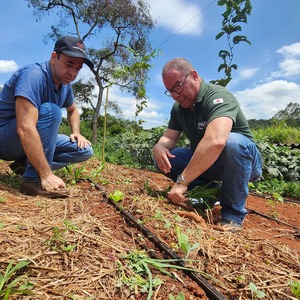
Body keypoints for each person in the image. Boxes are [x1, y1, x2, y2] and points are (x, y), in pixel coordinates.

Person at [153, 58, 262, 230]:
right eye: (170, 91)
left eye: (178, 86)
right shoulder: (178, 108)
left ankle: (233, 214)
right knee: (165, 159)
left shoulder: (218, 96)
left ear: (194, 76)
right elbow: (170, 138)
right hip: (209, 162)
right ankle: (215, 192)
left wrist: (182, 182)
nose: (175, 95)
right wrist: (159, 146)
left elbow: (216, 141)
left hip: (241, 161)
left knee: (232, 143)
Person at [0, 36, 94, 198]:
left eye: (78, 68)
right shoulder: (33, 76)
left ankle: (25, 165)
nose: (72, 73)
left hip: (25, 140)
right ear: (53, 58)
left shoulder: (65, 85)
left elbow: (73, 110)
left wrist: (76, 132)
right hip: (5, 139)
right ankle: (33, 179)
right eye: (69, 64)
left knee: (84, 150)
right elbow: (24, 128)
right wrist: (46, 174)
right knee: (52, 111)